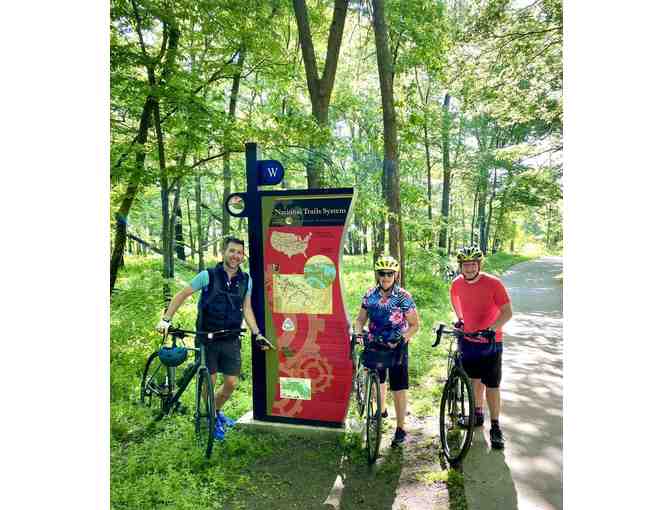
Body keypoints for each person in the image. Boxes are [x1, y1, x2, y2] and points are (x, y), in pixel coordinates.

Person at [156, 236, 271, 440]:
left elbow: (247, 308)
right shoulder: (207, 275)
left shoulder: (246, 280)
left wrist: (257, 333)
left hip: (231, 338)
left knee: (231, 383)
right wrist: (166, 319)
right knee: (209, 382)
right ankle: (208, 418)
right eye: (232, 251)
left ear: (243, 256)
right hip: (206, 339)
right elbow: (182, 295)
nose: (236, 255)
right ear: (223, 252)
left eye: (239, 252)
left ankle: (214, 412)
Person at [353, 255, 420, 447]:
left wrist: (403, 338)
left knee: (398, 387)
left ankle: (400, 429)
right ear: (377, 274)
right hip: (375, 344)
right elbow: (360, 320)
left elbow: (415, 325)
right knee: (378, 380)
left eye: (389, 273)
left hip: (397, 346)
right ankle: (380, 411)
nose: (385, 277)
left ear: (396, 274)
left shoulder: (403, 297)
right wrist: (358, 334)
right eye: (382, 273)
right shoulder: (369, 295)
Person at [450, 246, 513, 450]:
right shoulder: (457, 284)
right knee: (474, 380)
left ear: (479, 265)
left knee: (492, 385)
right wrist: (460, 320)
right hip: (469, 340)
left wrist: (491, 328)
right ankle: (477, 415)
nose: (469, 268)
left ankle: (495, 427)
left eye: (473, 264)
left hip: (491, 342)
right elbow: (457, 303)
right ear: (460, 266)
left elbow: (507, 312)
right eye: (465, 264)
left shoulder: (494, 284)